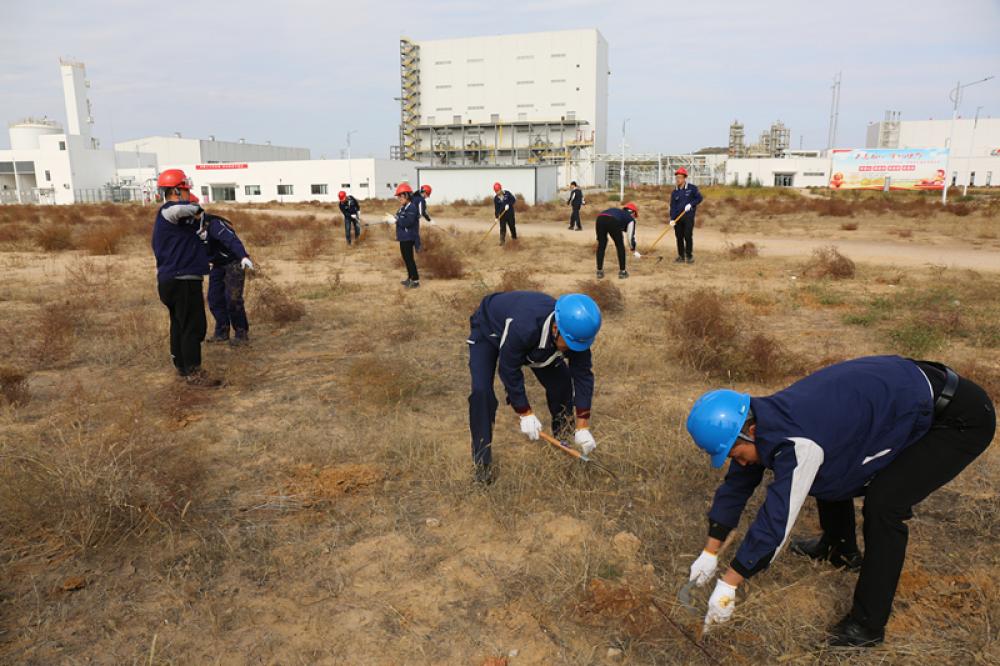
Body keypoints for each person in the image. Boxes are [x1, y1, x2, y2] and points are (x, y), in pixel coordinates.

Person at [684, 356, 995, 647]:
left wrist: (730, 583)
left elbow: (777, 520)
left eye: (736, 455)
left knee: (885, 505)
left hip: (958, 419)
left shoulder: (798, 442)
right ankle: (838, 549)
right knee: (829, 470)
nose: (738, 463)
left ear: (750, 431)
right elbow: (738, 484)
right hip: (915, 394)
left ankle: (867, 625)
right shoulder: (764, 416)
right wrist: (710, 550)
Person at [466, 291, 602, 485]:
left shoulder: (576, 333)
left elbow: (583, 377)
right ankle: (482, 466)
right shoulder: (524, 327)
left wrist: (583, 426)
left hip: (529, 340)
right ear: (556, 328)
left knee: (562, 384)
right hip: (489, 330)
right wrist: (525, 412)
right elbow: (508, 369)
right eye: (569, 344)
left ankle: (565, 444)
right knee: (482, 393)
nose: (572, 349)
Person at [151, 169, 220, 387]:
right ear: (173, 191)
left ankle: (181, 366)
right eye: (184, 190)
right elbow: (184, 208)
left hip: (173, 280)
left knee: (179, 325)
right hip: (182, 281)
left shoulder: (178, 224)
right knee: (194, 326)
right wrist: (198, 211)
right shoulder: (169, 211)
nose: (187, 194)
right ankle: (194, 372)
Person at [198, 196, 254, 346]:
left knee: (233, 298)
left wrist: (243, 256)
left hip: (234, 262)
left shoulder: (214, 224)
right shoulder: (189, 227)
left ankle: (241, 333)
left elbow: (231, 240)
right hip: (217, 265)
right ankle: (222, 331)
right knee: (214, 299)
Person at [595, 202, 638, 280]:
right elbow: (630, 237)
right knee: (620, 246)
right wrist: (633, 249)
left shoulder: (619, 212)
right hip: (613, 221)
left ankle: (599, 271)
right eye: (635, 216)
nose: (634, 217)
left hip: (600, 218)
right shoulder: (630, 218)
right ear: (633, 212)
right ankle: (622, 272)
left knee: (601, 245)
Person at [670, 167, 703, 264]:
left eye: (680, 177)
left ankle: (689, 255)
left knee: (687, 236)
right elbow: (672, 206)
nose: (678, 180)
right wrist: (672, 219)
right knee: (679, 237)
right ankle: (681, 256)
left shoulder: (692, 188)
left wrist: (691, 204)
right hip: (677, 218)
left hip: (688, 217)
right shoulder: (674, 192)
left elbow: (699, 198)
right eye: (677, 178)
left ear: (685, 178)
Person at [393, 183, 420, 289]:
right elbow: (398, 217)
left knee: (409, 259)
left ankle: (416, 280)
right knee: (405, 258)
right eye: (398, 196)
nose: (399, 198)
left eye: (401, 196)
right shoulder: (402, 208)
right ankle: (410, 278)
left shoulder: (412, 208)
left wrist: (396, 219)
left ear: (407, 196)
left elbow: (407, 222)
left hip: (409, 237)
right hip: (402, 237)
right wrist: (392, 218)